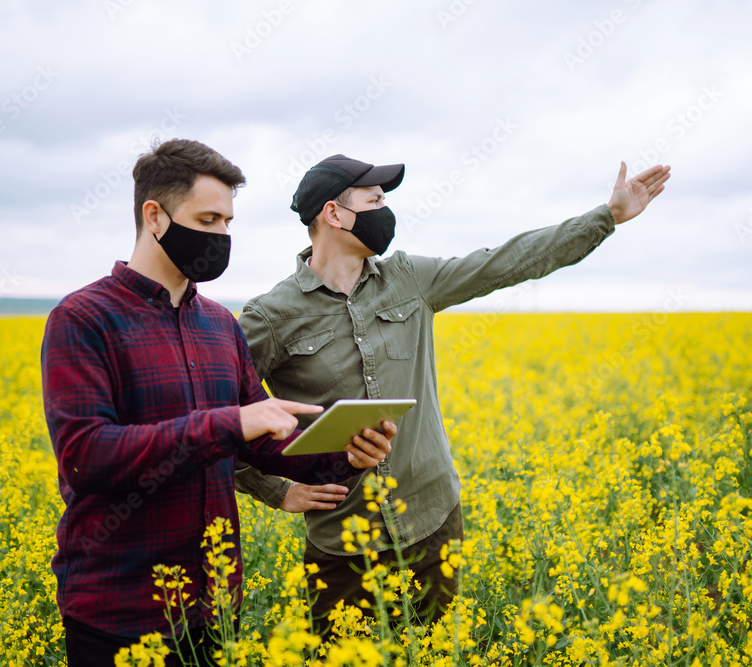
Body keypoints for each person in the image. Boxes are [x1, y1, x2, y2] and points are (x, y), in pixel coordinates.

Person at [235, 153, 671, 629]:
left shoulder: (409, 278)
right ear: (334, 214)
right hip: (344, 539)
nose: (386, 210)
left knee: (439, 649)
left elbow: (504, 263)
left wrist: (605, 217)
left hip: (433, 517)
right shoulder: (270, 317)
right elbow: (221, 417)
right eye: (375, 199)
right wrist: (276, 491)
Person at [40, 139, 396, 667]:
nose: (221, 236)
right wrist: (229, 423)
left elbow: (267, 442)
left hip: (214, 604)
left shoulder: (219, 325)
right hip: (119, 607)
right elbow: (86, 456)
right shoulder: (84, 319)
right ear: (154, 216)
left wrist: (344, 451)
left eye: (228, 222)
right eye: (207, 219)